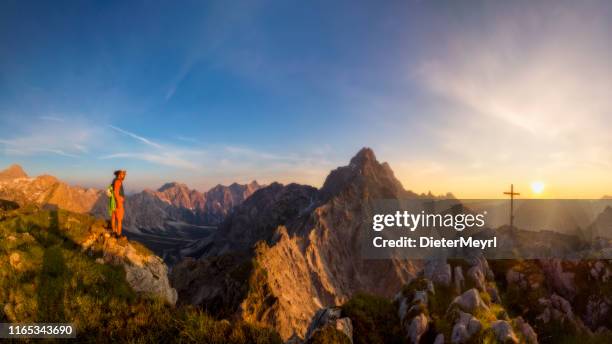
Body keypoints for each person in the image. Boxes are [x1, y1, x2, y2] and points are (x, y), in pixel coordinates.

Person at [108, 170, 127, 239]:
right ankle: (118, 235)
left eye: (124, 174)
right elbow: (116, 193)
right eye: (123, 174)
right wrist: (119, 202)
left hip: (113, 202)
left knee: (113, 217)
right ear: (119, 175)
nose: (124, 176)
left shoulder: (114, 180)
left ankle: (113, 232)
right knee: (119, 219)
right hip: (118, 202)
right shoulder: (118, 181)